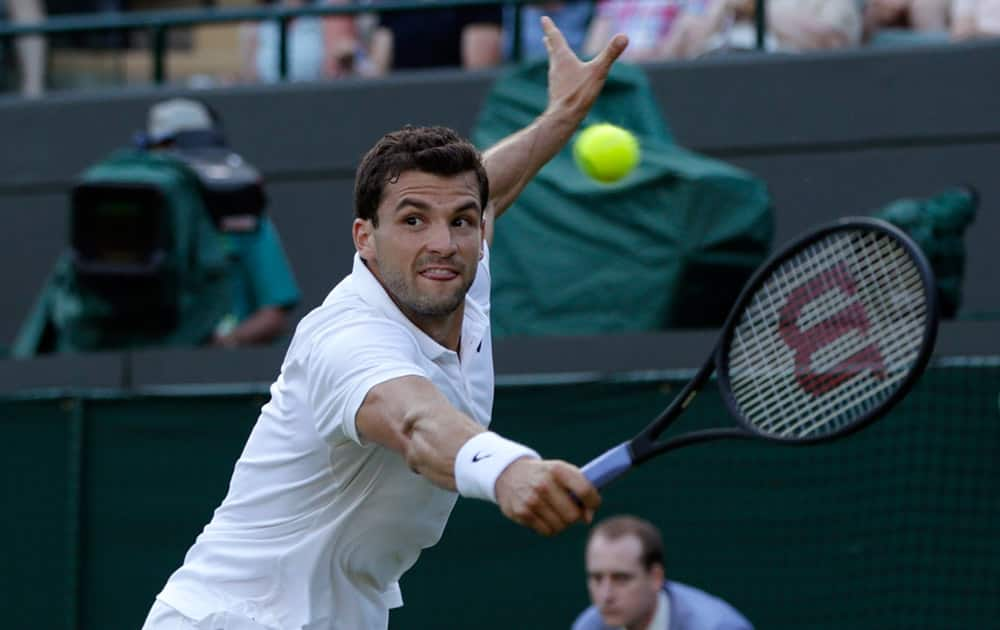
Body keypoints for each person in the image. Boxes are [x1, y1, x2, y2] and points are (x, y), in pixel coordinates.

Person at [140, 16, 629, 630]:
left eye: (461, 222)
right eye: (413, 220)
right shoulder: (346, 338)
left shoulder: (459, 269)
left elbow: (490, 188)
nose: (443, 243)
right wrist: (508, 469)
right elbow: (417, 424)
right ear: (364, 239)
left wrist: (563, 113)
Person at [144, 97, 301, 348]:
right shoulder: (141, 217)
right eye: (161, 149)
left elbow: (274, 312)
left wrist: (225, 342)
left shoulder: (242, 214)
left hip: (225, 371)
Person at [572, 515, 753, 630]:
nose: (606, 595)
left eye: (621, 578)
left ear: (655, 577)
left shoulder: (717, 627)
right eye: (597, 578)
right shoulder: (589, 626)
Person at [370, 0, 504, 73]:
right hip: (399, 101)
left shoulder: (480, 6)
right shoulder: (394, 5)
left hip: (457, 105)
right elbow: (378, 70)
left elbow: (478, 75)